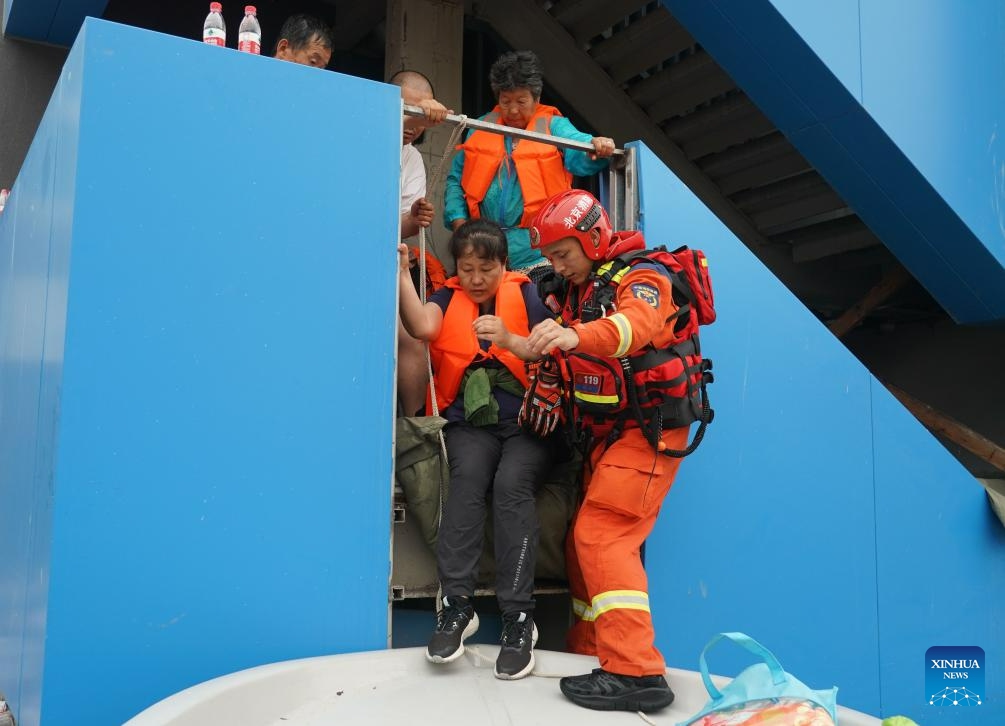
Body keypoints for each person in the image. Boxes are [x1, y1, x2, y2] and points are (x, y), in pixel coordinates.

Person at [518, 190, 713, 713]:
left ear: (593, 237)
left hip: (648, 432)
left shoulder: (644, 277)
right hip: (605, 435)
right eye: (551, 256)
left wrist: (570, 337)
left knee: (602, 536)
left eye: (564, 253)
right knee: (584, 551)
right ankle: (593, 655)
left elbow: (633, 329)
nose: (555, 265)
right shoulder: (579, 288)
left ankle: (636, 673)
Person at [397, 219, 555, 680]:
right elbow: (422, 325)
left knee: (511, 486)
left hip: (527, 424)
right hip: (470, 424)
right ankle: (457, 606)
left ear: (504, 265)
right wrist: (402, 274)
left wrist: (508, 339)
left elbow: (551, 348)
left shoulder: (525, 295)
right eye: (467, 268)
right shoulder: (447, 297)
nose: (476, 278)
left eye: (486, 268)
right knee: (465, 483)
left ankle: (518, 618)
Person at [443, 50, 616, 279]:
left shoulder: (554, 126)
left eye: (521, 101)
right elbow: (456, 180)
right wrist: (460, 225)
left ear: (537, 98)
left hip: (536, 255)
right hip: (482, 252)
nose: (513, 110)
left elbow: (579, 147)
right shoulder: (479, 127)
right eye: (505, 101)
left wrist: (596, 146)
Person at [390, 70, 451, 416]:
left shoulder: (411, 157)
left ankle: (412, 431)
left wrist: (413, 219)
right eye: (407, 111)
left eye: (421, 118)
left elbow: (400, 227)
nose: (413, 124)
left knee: (413, 345)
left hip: (384, 262)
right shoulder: (353, 129)